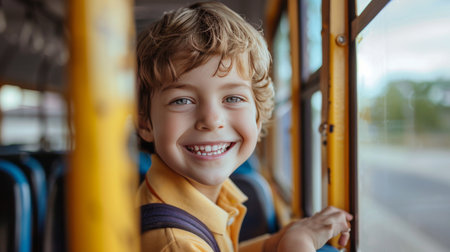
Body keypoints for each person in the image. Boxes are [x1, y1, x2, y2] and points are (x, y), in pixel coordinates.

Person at [135, 1, 353, 251]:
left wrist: (275, 242)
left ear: (258, 116)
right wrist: (297, 245)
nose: (211, 120)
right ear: (145, 122)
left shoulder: (205, 196)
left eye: (233, 98)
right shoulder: (174, 242)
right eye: (182, 100)